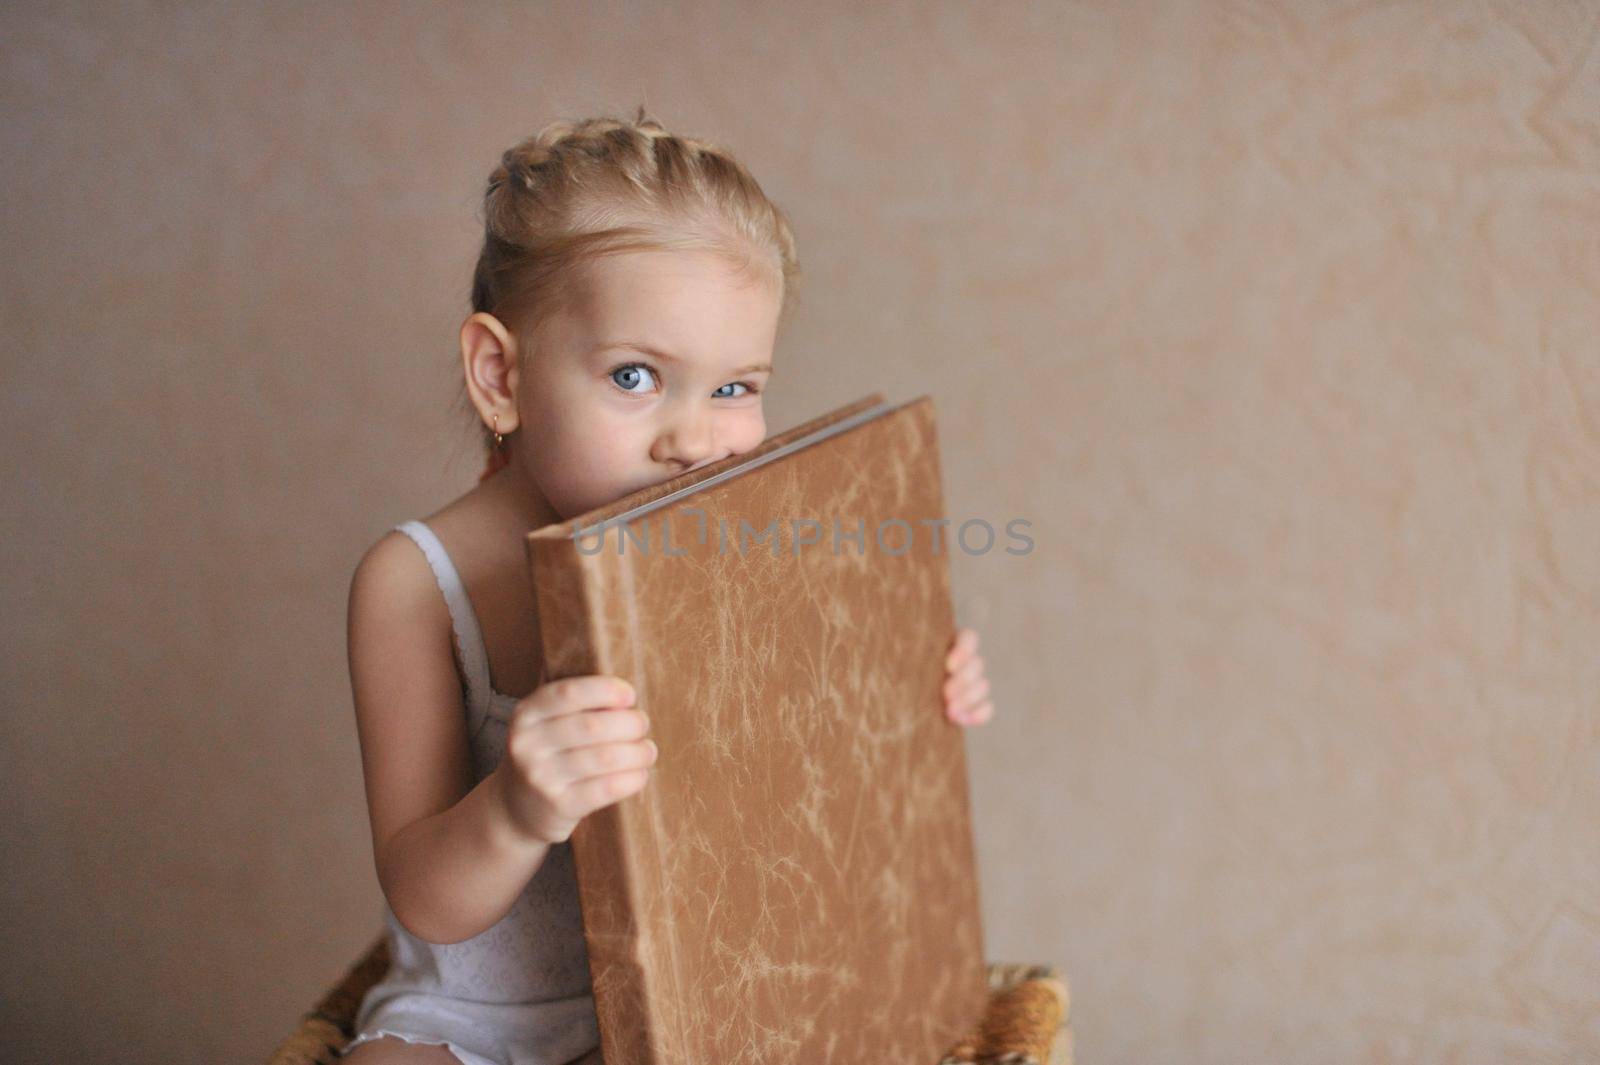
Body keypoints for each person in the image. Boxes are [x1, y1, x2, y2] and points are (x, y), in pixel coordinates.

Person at [340, 108, 996, 1065]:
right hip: (479, 1022)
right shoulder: (413, 584)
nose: (695, 440)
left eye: (735, 389)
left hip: (705, 1001)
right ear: (500, 374)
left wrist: (915, 683)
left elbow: (807, 777)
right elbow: (426, 899)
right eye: (637, 375)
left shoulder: (749, 539)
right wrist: (518, 806)